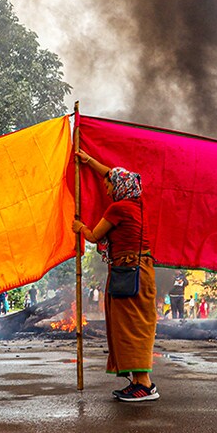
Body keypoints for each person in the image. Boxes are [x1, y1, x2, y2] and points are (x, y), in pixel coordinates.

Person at [72, 149, 159, 402]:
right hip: (137, 272)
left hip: (129, 272)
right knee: (130, 326)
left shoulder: (118, 209)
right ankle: (137, 381)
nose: (106, 189)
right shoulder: (138, 203)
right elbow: (114, 174)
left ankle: (145, 384)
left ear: (119, 187)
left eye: (108, 185)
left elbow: (94, 236)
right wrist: (90, 162)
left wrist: (80, 227)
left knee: (132, 328)